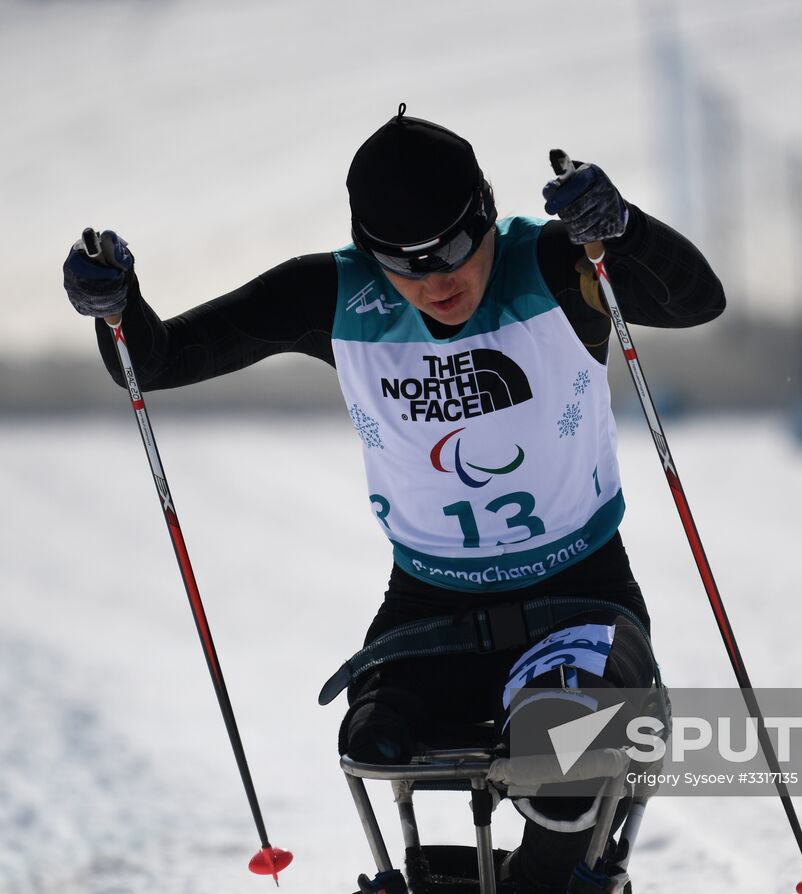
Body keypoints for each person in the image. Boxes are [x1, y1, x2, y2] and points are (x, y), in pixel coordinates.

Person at [63, 105, 725, 893]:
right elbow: (156, 359)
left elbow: (698, 302)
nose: (436, 280)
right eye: (403, 264)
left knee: (564, 744)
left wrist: (624, 231)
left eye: (452, 249)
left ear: (484, 217)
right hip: (427, 612)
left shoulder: (554, 264)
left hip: (579, 594)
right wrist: (116, 308)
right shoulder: (334, 294)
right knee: (374, 742)